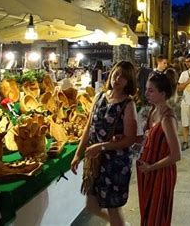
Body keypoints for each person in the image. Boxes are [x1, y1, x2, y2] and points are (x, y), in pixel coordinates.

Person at [71, 61, 138, 226]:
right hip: (96, 161)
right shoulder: (100, 96)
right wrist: (77, 154)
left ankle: (118, 224)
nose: (118, 78)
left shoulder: (128, 105)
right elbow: (89, 126)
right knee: (91, 205)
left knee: (113, 208)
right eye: (117, 73)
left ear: (129, 81)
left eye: (124, 77)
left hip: (115, 163)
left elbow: (130, 138)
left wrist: (101, 146)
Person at [137, 71, 181, 226]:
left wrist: (151, 167)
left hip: (161, 171)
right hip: (148, 169)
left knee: (157, 215)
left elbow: (176, 155)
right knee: (148, 213)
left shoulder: (167, 118)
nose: (146, 93)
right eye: (146, 89)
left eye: (151, 90)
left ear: (162, 94)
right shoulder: (154, 111)